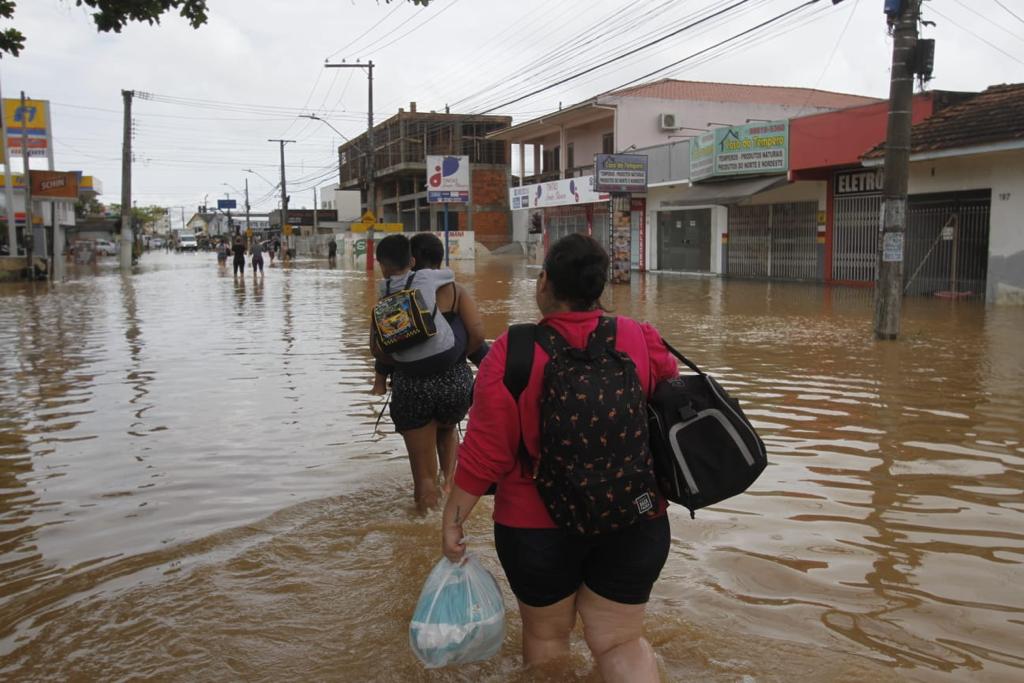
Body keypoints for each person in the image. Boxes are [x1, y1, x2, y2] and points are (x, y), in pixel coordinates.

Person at [440, 234, 678, 682]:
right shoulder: (639, 336)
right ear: (599, 286)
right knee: (620, 639)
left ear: (544, 281)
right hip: (634, 516)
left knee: (548, 638)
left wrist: (453, 520)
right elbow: (669, 392)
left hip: (535, 529)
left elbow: (483, 455)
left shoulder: (513, 351)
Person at [372, 233, 488, 488]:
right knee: (447, 430)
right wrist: (453, 359)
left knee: (424, 482)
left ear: (412, 260)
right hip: (454, 386)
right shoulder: (454, 290)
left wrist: (402, 363)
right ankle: (448, 489)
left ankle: (424, 518)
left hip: (412, 386)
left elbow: (380, 350)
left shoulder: (392, 293)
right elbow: (478, 335)